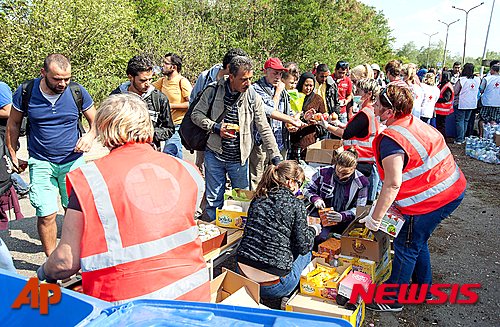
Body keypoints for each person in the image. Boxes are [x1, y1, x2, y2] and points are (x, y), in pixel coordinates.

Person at [37, 94, 210, 304]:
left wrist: (44, 271)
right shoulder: (187, 170)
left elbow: (66, 261)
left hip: (128, 304)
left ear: (104, 127)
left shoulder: (90, 179)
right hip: (193, 293)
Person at [361, 84, 466, 312]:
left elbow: (392, 183)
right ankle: (423, 290)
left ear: (390, 111)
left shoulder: (392, 139)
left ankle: (391, 299)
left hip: (430, 200)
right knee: (417, 240)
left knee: (406, 245)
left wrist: (375, 218)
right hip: (450, 190)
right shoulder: (414, 123)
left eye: (379, 105)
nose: (375, 107)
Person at [7, 54, 96, 256]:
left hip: (73, 161)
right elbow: (12, 124)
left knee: (74, 211)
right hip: (41, 161)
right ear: (43, 73)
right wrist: (13, 154)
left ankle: (76, 254)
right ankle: (52, 261)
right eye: (57, 78)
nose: (63, 83)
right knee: (46, 214)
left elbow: (95, 121)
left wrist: (90, 136)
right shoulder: (26, 91)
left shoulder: (77, 91)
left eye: (67, 78)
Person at [191, 56, 281, 221]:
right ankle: (214, 235)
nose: (248, 83)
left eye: (250, 79)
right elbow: (196, 115)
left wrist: (276, 156)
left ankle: (240, 238)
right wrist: (215, 127)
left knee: (242, 200)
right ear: (231, 77)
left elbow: (264, 127)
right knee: (213, 201)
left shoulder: (252, 95)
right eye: (243, 79)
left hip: (239, 158)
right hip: (214, 155)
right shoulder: (213, 90)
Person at [236, 160, 317, 299]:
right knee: (308, 250)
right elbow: (303, 245)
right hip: (274, 287)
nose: (299, 188)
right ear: (291, 182)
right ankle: (295, 292)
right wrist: (314, 230)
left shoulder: (258, 199)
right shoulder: (296, 204)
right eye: (300, 184)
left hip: (240, 275)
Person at [317, 78, 381, 202]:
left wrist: (326, 126)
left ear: (368, 94)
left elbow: (346, 134)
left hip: (360, 160)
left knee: (355, 199)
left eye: (358, 92)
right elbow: (356, 130)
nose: (355, 94)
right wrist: (338, 123)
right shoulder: (370, 111)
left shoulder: (365, 113)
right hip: (367, 160)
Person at [190, 48, 248, 174]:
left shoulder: (245, 89)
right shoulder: (206, 78)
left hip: (234, 152)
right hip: (206, 137)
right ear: (229, 68)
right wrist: (212, 126)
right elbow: (194, 106)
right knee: (203, 172)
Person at [250, 57, 304, 190]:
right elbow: (268, 111)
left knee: (278, 178)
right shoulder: (256, 89)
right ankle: (255, 204)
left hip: (280, 141)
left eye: (280, 73)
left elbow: (288, 112)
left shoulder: (282, 90)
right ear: (265, 72)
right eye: (274, 73)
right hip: (262, 143)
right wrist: (278, 92)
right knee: (258, 177)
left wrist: (298, 117)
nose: (278, 77)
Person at [110, 55, 175, 151]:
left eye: (150, 79)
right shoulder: (115, 98)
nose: (148, 84)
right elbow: (106, 127)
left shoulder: (159, 99)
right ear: (130, 77)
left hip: (150, 155)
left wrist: (149, 133)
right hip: (121, 154)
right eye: (143, 80)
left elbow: (169, 129)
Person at [304, 149, 369, 243]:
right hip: (322, 215)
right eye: (338, 172)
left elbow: (359, 209)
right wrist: (316, 199)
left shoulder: (361, 182)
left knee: (350, 241)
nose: (340, 176)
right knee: (318, 238)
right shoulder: (323, 173)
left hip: (346, 219)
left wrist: (342, 216)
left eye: (345, 174)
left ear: (354, 167)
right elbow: (307, 189)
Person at [153, 53, 193, 158]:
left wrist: (171, 106)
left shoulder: (182, 82)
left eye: (166, 63)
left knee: (171, 152)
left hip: (178, 124)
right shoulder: (162, 81)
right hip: (165, 125)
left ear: (173, 67)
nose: (162, 65)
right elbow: (148, 90)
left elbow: (191, 104)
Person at [0, 81, 29, 198]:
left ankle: (22, 187)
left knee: (5, 163)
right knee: (5, 164)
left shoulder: (1, 87)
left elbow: (8, 111)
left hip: (4, 135)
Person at [289, 72, 327, 160]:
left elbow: (324, 116)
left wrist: (317, 119)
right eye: (306, 85)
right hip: (295, 138)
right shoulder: (294, 97)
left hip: (310, 138)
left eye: (311, 86)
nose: (308, 88)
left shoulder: (318, 99)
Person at [453, 63, 480, 144]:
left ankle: (459, 139)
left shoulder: (462, 80)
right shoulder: (477, 79)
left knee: (459, 121)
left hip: (461, 103)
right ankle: (463, 137)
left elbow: (455, 91)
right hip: (472, 103)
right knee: (466, 121)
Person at [478, 62, 500, 136]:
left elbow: (481, 89)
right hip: (497, 103)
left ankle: (481, 136)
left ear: (492, 70)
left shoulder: (486, 79)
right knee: (494, 120)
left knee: (482, 120)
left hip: (486, 102)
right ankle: (492, 137)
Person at [434, 71, 455, 137]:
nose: (439, 77)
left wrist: (436, 100)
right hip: (440, 109)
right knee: (439, 125)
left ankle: (442, 138)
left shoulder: (447, 87)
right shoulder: (442, 84)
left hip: (443, 109)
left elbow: (446, 98)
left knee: (441, 126)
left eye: (440, 76)